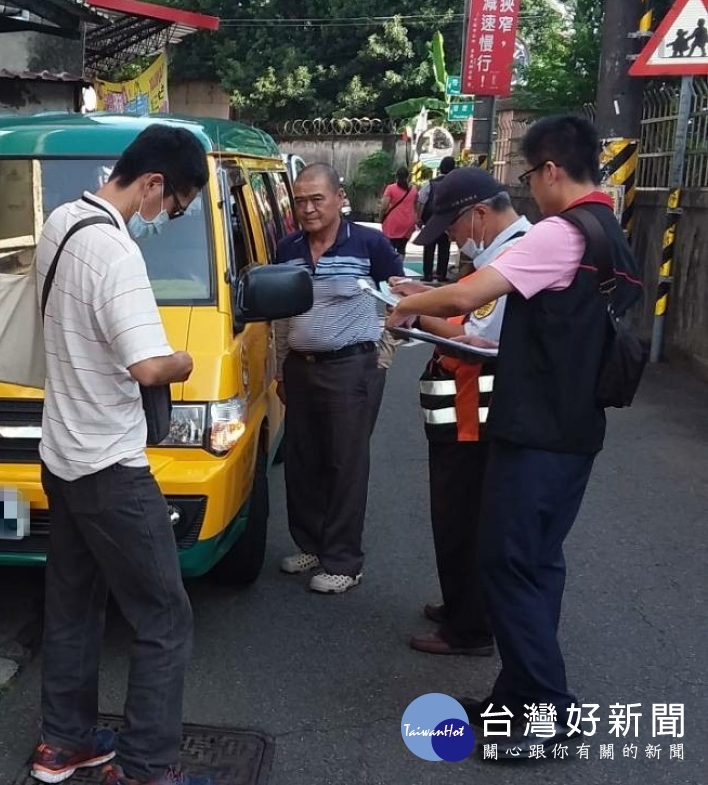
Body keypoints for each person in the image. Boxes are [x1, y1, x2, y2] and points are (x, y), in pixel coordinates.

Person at [386, 115, 642, 755]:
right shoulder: (612, 231)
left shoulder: (563, 233)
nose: (530, 189)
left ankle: (549, 718)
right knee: (536, 564)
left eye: (529, 176)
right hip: (573, 425)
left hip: (538, 431)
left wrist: (408, 304)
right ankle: (516, 701)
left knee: (509, 563)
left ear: (552, 171)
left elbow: (466, 296)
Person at [30, 124, 212, 785]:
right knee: (165, 617)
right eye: (176, 205)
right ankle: (142, 768)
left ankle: (64, 742)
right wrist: (184, 359)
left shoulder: (61, 223)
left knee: (74, 605)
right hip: (110, 467)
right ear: (154, 184)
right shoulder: (115, 253)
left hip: (61, 455)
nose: (168, 217)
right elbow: (146, 364)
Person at [389, 169, 531, 658]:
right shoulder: (499, 253)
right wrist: (422, 294)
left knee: (463, 518)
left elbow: (479, 337)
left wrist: (415, 310)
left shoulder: (513, 256)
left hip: (478, 414)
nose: (452, 238)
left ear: (479, 214)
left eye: (451, 228)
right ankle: (460, 608)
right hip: (468, 409)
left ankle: (469, 628)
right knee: (456, 515)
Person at [274, 163, 404, 594]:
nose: (308, 209)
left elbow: (404, 301)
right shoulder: (287, 247)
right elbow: (279, 315)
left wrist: (381, 357)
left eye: (317, 199)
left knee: (346, 463)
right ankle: (311, 544)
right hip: (301, 366)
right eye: (300, 201)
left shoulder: (371, 244)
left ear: (339, 198)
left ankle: (344, 561)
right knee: (302, 459)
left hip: (353, 368)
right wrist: (281, 366)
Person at [417, 156, 455, 282]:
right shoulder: (455, 184)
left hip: (431, 220)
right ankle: (441, 274)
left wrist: (419, 218)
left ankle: (427, 274)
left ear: (440, 168)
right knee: (444, 249)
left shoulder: (430, 184)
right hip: (447, 222)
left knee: (429, 248)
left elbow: (422, 201)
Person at [380, 166, 418, 256]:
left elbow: (384, 206)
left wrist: (381, 216)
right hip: (408, 222)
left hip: (393, 222)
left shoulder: (390, 188)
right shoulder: (414, 189)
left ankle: (390, 267)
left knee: (390, 247)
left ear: (396, 177)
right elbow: (416, 205)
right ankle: (399, 267)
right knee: (402, 247)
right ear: (408, 177)